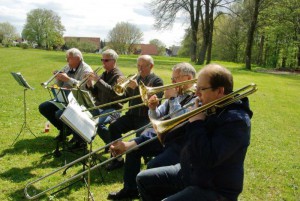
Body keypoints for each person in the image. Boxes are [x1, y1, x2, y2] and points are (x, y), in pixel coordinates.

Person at [136, 64, 253, 201]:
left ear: (220, 91)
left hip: (215, 187)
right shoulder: (210, 107)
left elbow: (207, 159)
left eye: (202, 89)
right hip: (191, 172)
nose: (196, 94)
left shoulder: (236, 120)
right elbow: (176, 136)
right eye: (196, 88)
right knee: (143, 179)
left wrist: (197, 123)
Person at [107, 62, 197, 200]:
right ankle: (130, 189)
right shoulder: (177, 94)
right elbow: (156, 120)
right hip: (165, 139)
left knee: (153, 166)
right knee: (132, 151)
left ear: (188, 78)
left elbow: (181, 121)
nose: (171, 82)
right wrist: (153, 108)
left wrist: (172, 99)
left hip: (181, 145)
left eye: (175, 79)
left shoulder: (197, 97)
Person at [106, 55, 164, 171]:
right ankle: (117, 159)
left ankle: (144, 158)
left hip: (146, 117)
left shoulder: (157, 81)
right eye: (138, 65)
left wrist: (137, 88)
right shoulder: (135, 79)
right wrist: (122, 86)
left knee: (140, 137)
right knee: (113, 127)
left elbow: (153, 100)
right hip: (131, 115)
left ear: (151, 66)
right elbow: (125, 98)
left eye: (143, 66)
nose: (139, 69)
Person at [39, 48, 93, 142]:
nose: (67, 61)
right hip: (64, 98)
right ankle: (64, 130)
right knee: (44, 107)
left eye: (69, 58)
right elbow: (59, 85)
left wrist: (68, 79)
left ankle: (76, 136)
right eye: (67, 58)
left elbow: (84, 87)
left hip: (78, 101)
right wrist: (58, 79)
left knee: (60, 113)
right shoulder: (67, 67)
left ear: (78, 58)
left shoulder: (86, 69)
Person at [84, 49, 124, 148]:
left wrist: (98, 80)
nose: (103, 62)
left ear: (114, 61)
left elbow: (112, 92)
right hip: (100, 106)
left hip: (113, 108)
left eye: (106, 60)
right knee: (84, 117)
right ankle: (80, 142)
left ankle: (113, 145)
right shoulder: (104, 74)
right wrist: (89, 84)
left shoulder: (118, 75)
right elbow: (96, 94)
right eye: (102, 60)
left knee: (98, 124)